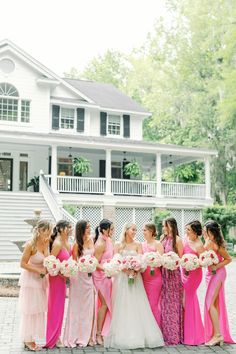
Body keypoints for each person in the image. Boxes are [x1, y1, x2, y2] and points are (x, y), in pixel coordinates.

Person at [104, 223, 164, 349]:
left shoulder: (138, 245)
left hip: (136, 280)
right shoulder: (118, 245)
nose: (135, 232)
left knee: (137, 305)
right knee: (123, 306)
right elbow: (116, 262)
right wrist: (126, 269)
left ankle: (139, 334)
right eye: (133, 229)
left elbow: (142, 262)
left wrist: (136, 269)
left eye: (136, 230)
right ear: (126, 230)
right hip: (122, 280)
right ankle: (124, 334)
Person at [19, 219, 52, 351]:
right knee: (30, 310)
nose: (49, 233)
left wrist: (50, 267)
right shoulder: (30, 245)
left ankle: (32, 337)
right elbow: (22, 263)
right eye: (47, 231)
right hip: (30, 281)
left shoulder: (46, 242)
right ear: (39, 231)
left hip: (41, 281)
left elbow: (47, 260)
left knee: (38, 310)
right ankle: (27, 339)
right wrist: (38, 270)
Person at [63, 220, 97, 347]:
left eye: (89, 227)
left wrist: (91, 265)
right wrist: (83, 265)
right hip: (78, 279)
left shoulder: (91, 240)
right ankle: (75, 336)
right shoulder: (77, 244)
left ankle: (86, 336)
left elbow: (93, 258)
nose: (89, 229)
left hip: (88, 277)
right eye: (87, 227)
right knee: (77, 307)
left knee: (88, 307)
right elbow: (74, 262)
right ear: (81, 229)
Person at [203, 220, 235, 346]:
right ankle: (217, 334)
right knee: (214, 304)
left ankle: (217, 335)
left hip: (218, 274)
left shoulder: (216, 243)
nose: (204, 232)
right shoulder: (207, 240)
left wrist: (217, 266)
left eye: (206, 230)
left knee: (209, 303)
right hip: (209, 274)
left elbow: (228, 259)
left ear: (212, 231)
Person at [44, 220, 72, 349]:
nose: (71, 229)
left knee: (60, 309)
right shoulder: (57, 243)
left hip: (62, 280)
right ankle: (52, 338)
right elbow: (50, 263)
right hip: (56, 280)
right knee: (55, 308)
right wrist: (62, 275)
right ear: (61, 229)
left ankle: (57, 336)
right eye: (68, 227)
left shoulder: (66, 243)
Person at [160, 217, 184, 345]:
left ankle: (174, 335)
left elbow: (180, 259)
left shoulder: (178, 240)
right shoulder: (162, 238)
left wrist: (171, 261)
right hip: (163, 274)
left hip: (173, 275)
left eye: (165, 226)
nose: (163, 228)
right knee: (164, 304)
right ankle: (164, 334)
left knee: (173, 304)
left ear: (171, 226)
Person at [182, 220, 205, 345]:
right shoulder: (185, 239)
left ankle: (193, 335)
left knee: (188, 301)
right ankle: (190, 331)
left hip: (194, 275)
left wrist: (193, 264)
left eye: (189, 230)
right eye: (186, 229)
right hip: (183, 273)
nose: (187, 232)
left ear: (195, 232)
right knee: (186, 301)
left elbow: (202, 262)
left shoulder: (199, 245)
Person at [93, 219, 114, 345]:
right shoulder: (100, 243)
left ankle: (106, 330)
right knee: (104, 304)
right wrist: (107, 269)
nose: (112, 231)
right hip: (100, 276)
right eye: (111, 229)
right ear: (104, 230)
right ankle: (98, 333)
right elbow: (95, 263)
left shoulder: (109, 240)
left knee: (107, 305)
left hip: (108, 276)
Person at [141, 222, 163, 327]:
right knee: (145, 305)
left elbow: (161, 260)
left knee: (153, 305)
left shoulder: (158, 244)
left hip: (155, 279)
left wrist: (153, 261)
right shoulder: (141, 245)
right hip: (143, 279)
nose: (143, 232)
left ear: (151, 231)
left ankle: (157, 331)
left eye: (144, 230)